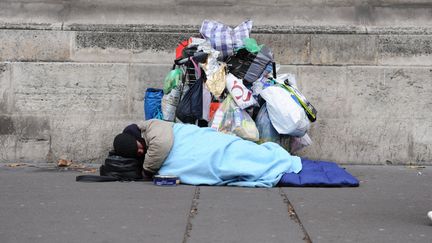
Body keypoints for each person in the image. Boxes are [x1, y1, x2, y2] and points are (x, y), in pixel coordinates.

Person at [113, 119, 302, 188]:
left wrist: (147, 170)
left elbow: (162, 145)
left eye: (138, 146)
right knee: (222, 164)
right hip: (197, 155)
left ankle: (270, 159)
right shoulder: (144, 144)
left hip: (200, 142)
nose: (140, 150)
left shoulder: (151, 127)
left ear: (137, 137)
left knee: (233, 150)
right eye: (137, 153)